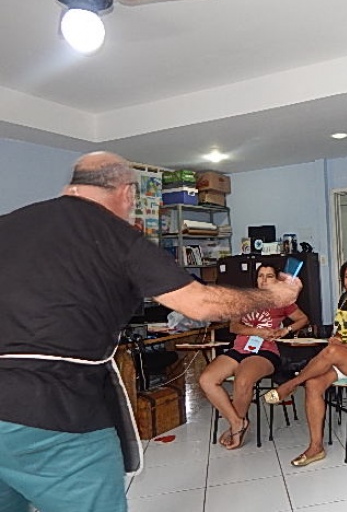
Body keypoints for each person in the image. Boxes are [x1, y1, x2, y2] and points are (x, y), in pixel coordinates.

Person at [0, 152, 301, 512]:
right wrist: (275, 296)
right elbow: (201, 304)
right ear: (127, 193)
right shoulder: (117, 236)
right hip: (56, 411)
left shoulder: (10, 224)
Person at [263, 256, 347, 467]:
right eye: (346, 277)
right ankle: (315, 447)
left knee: (332, 351)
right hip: (346, 358)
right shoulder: (344, 300)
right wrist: (336, 338)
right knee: (313, 384)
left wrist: (343, 346)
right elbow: (340, 330)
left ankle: (291, 384)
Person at [199, 264, 309, 450]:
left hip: (265, 352)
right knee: (206, 380)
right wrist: (258, 331)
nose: (264, 280)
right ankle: (237, 422)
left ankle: (236, 429)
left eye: (269, 276)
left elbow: (303, 319)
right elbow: (234, 327)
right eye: (260, 276)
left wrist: (286, 330)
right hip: (239, 348)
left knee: (243, 380)